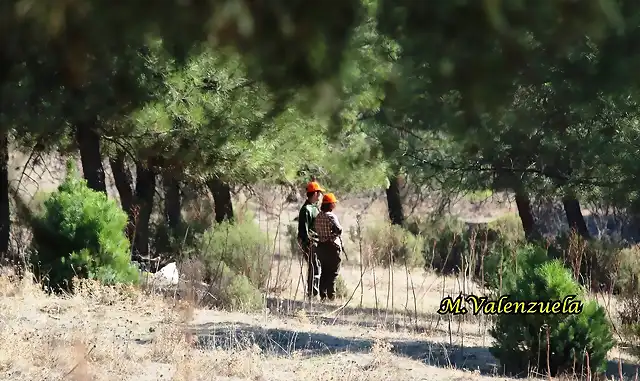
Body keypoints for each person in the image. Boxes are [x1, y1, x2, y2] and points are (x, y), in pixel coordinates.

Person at [313, 193, 343, 301]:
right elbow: (339, 230)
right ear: (331, 205)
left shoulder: (318, 216)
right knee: (333, 272)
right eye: (334, 203)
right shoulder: (331, 216)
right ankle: (331, 295)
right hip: (332, 247)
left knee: (324, 271)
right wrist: (333, 235)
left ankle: (323, 295)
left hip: (321, 247)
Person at [297, 181, 325, 299]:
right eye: (319, 193)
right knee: (314, 267)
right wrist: (308, 244)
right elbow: (303, 231)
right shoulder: (306, 210)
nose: (320, 196)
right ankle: (312, 294)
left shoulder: (315, 208)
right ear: (314, 194)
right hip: (311, 244)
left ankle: (315, 293)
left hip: (317, 243)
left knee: (317, 267)